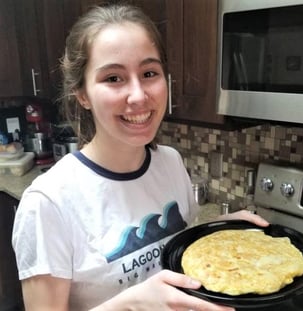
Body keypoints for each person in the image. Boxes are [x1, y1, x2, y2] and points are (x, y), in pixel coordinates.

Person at [12, 3, 269, 311]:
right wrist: (131, 304)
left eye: (149, 73)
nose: (138, 95)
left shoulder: (170, 163)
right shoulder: (47, 203)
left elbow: (178, 256)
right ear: (82, 94)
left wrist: (219, 233)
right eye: (113, 78)